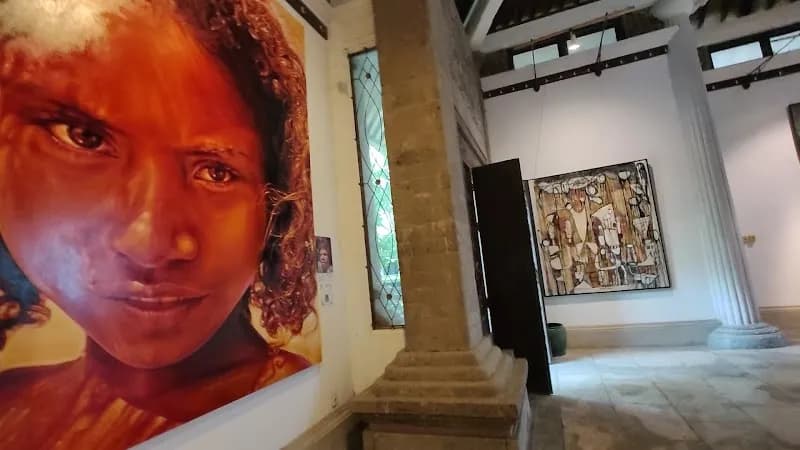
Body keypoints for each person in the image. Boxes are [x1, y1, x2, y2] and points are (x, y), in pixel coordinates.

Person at [0, 1, 316, 448]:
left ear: (277, 205)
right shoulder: (13, 402)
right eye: (85, 138)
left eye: (216, 171)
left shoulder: (292, 406)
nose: (148, 244)